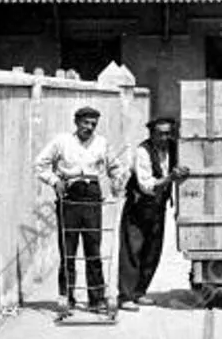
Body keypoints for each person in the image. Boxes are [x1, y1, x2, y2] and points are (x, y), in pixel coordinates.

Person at [34, 106, 125, 313]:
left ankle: (97, 299)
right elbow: (40, 164)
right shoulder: (62, 141)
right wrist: (54, 180)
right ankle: (67, 298)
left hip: (92, 196)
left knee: (93, 249)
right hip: (69, 196)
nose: (90, 127)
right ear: (76, 122)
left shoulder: (102, 143)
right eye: (86, 123)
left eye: (93, 124)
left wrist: (117, 182)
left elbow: (116, 167)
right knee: (68, 250)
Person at [117, 116, 189, 309]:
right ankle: (125, 296)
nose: (165, 137)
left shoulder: (173, 148)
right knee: (132, 251)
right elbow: (146, 185)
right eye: (160, 134)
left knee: (152, 251)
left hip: (158, 207)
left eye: (168, 133)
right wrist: (170, 178)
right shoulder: (143, 151)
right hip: (139, 206)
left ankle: (139, 292)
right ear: (152, 134)